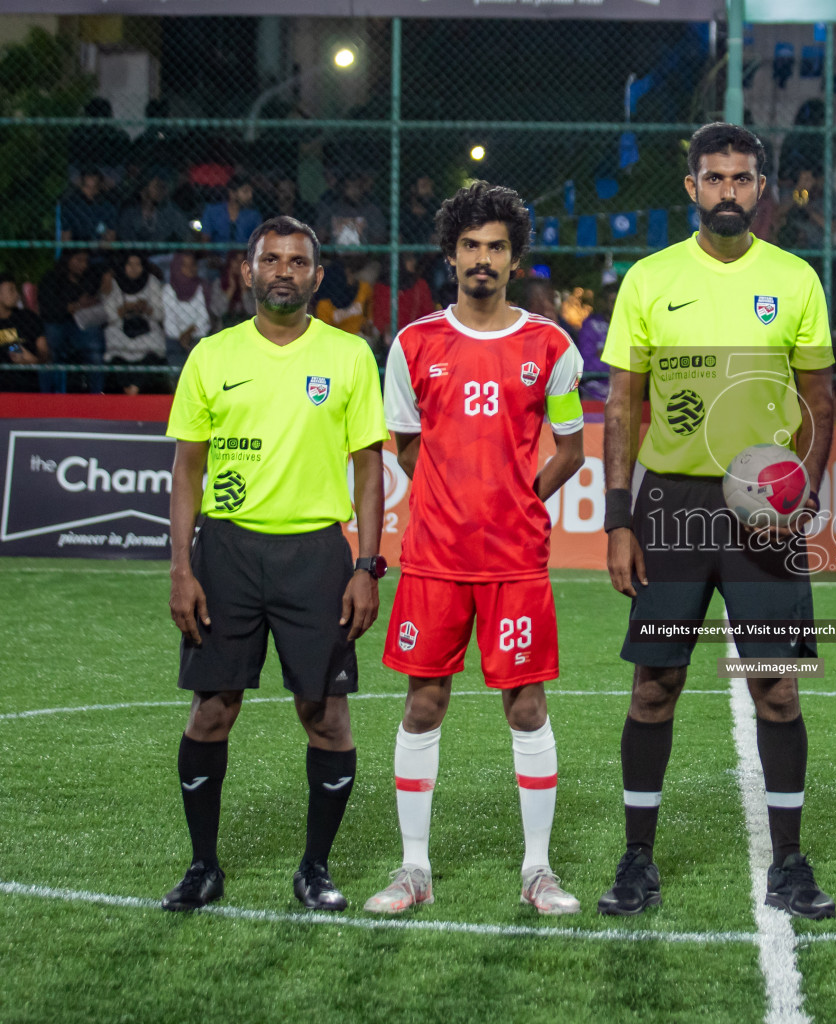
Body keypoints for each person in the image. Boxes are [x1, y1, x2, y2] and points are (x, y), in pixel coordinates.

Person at [599, 122, 836, 920]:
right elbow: (623, 408)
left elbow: (823, 400)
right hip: (669, 507)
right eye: (714, 178)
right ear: (692, 188)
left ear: (760, 188)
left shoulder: (797, 279)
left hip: (765, 505)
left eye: (741, 178)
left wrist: (802, 492)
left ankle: (791, 862)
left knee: (777, 690)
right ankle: (636, 860)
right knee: (654, 687)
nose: (727, 190)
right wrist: (619, 519)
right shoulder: (649, 279)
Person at [366, 182, 587, 917]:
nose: (482, 259)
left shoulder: (548, 346)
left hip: (515, 559)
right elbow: (403, 444)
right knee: (423, 703)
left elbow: (573, 447)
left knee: (526, 708)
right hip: (433, 557)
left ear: (515, 258)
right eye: (471, 246)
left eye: (496, 246)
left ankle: (537, 871)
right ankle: (413, 870)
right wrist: (446, 492)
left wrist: (519, 496)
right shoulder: (414, 343)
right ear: (451, 255)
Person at [159, 215, 389, 913]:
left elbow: (370, 470)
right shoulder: (212, 357)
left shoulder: (349, 357)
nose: (283, 270)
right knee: (211, 714)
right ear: (248, 271)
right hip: (225, 553)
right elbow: (186, 471)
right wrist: (181, 567)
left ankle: (315, 869)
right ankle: (203, 868)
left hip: (317, 555)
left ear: (318, 276)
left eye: (297, 261)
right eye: (271, 259)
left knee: (327, 718)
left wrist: (367, 565)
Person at [38, 250, 109, 393]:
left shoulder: (89, 277)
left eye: (85, 261)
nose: (83, 265)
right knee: (48, 346)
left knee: (95, 347)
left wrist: (107, 275)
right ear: (68, 260)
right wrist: (73, 306)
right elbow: (47, 309)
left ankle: (97, 395)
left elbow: (110, 266)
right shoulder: (52, 278)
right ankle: (45, 397)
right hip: (57, 323)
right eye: (79, 260)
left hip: (81, 325)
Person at [102, 253, 166, 394]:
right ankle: (125, 388)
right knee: (115, 349)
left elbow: (160, 313)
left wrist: (146, 309)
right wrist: (126, 308)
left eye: (138, 264)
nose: (134, 268)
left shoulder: (151, 281)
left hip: (147, 328)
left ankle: (136, 388)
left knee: (153, 349)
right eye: (130, 264)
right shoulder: (114, 282)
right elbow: (109, 314)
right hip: (120, 328)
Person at [0, 272, 50, 393]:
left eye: (16, 290)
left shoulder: (28, 318)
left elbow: (45, 353)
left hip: (27, 386)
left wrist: (33, 361)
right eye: (11, 290)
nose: (16, 294)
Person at [162, 252, 213, 371]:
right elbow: (170, 322)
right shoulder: (169, 290)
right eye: (185, 265)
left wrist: (189, 332)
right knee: (176, 362)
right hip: (175, 337)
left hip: (197, 335)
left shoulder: (201, 287)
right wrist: (181, 336)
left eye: (192, 265)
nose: (190, 269)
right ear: (177, 267)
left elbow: (203, 318)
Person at [118, 176, 191, 248]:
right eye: (156, 186)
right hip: (134, 254)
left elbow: (186, 234)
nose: (160, 191)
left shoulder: (169, 212)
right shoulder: (129, 212)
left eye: (162, 187)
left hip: (160, 255)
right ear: (143, 190)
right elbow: (125, 238)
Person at [576, 280, 618, 401]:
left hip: (623, 391)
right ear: (603, 302)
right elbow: (587, 363)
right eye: (613, 302)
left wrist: (603, 354)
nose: (617, 306)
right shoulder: (591, 325)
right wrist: (619, 362)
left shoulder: (631, 325)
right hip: (593, 392)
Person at [59, 168, 118, 245]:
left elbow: (110, 238)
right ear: (81, 186)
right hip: (76, 249)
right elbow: (66, 238)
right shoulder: (70, 207)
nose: (91, 191)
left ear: (100, 187)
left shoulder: (108, 207)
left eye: (95, 187)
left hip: (99, 250)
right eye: (87, 187)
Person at [200, 177, 262, 247]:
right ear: (232, 193)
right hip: (217, 255)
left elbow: (257, 243)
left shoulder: (253, 215)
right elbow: (205, 239)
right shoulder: (212, 211)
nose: (250, 196)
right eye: (245, 191)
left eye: (251, 192)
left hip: (244, 255)